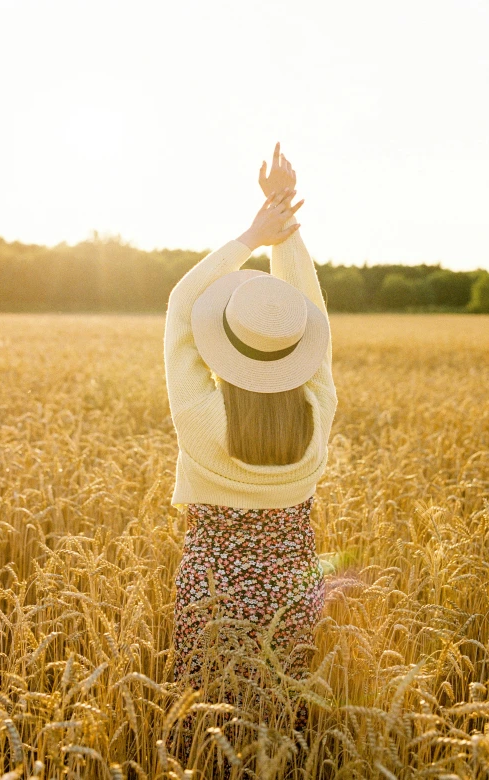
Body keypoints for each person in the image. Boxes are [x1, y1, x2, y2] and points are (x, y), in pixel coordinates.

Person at [163, 142, 338, 763]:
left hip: (210, 596)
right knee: (281, 732)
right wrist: (284, 222)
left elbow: (182, 306)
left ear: (224, 345)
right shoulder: (316, 416)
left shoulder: (202, 419)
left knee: (205, 731)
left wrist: (255, 230)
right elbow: (311, 315)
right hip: (293, 597)